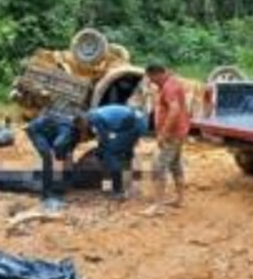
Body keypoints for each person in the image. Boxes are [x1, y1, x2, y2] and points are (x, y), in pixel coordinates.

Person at [75, 105, 149, 200]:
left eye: (82, 127)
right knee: (124, 152)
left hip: (133, 124)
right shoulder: (93, 114)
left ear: (83, 122)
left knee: (111, 154)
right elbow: (107, 135)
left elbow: (104, 139)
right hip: (135, 122)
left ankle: (117, 190)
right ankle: (128, 185)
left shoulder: (95, 118)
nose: (83, 129)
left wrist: (100, 152)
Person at [145, 64, 190, 207]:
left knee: (159, 166)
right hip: (178, 132)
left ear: (158, 74)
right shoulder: (174, 83)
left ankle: (157, 206)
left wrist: (163, 133)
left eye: (152, 79)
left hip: (172, 134)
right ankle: (180, 200)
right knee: (175, 165)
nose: (152, 82)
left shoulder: (169, 87)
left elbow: (175, 110)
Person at [25, 111, 80, 199]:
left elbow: (69, 149)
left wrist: (65, 158)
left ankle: (55, 182)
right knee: (47, 157)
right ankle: (46, 193)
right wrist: (60, 156)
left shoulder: (70, 127)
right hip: (36, 131)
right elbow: (58, 145)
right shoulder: (69, 129)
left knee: (53, 156)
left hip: (47, 132)